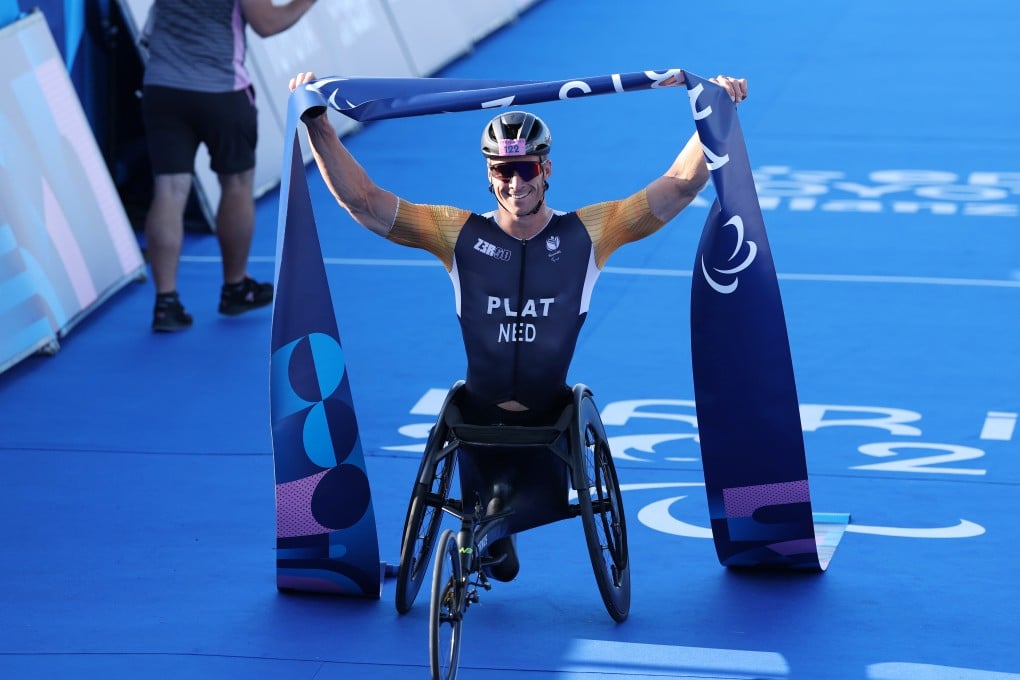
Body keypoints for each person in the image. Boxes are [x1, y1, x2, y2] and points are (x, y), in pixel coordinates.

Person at [289, 70, 747, 580]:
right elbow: (366, 203)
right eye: (503, 171)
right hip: (478, 412)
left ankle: (499, 527)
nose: (514, 183)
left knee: (501, 551)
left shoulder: (591, 232)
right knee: (496, 559)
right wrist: (317, 126)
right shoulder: (454, 231)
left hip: (550, 414)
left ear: (546, 168)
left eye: (525, 169)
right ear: (489, 174)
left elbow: (679, 188)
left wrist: (715, 111)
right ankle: (491, 529)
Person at [142, 0, 318, 332]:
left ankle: (165, 302)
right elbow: (267, 23)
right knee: (236, 184)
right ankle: (235, 287)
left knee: (169, 189)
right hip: (221, 90)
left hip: (162, 88)